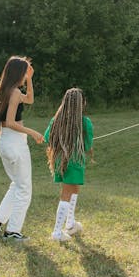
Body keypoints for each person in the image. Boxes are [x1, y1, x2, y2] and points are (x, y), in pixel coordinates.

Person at [0, 55, 45, 242]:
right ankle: (13, 232)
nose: (26, 74)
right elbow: (10, 122)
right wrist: (33, 132)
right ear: (19, 72)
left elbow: (31, 99)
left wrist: (30, 79)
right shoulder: (14, 92)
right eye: (25, 71)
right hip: (15, 143)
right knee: (24, 189)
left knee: (17, 184)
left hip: (5, 142)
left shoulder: (7, 90)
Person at [44, 87, 94, 243]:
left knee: (74, 189)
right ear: (81, 103)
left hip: (61, 159)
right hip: (74, 161)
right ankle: (57, 231)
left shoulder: (55, 120)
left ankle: (70, 224)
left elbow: (48, 139)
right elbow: (87, 146)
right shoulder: (85, 122)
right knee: (66, 193)